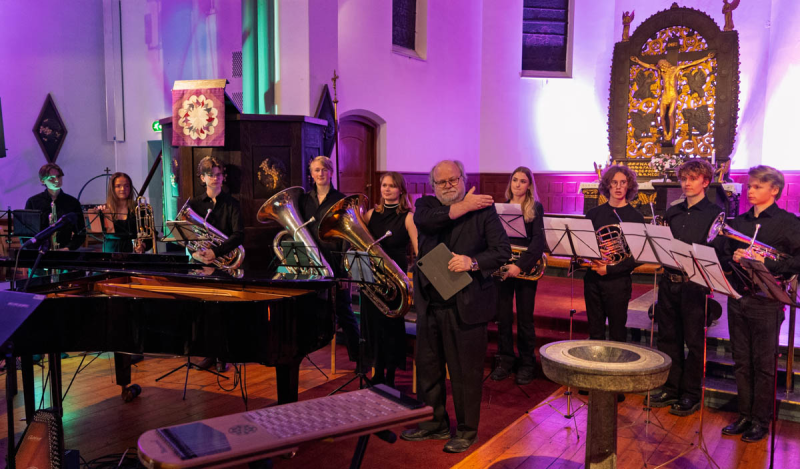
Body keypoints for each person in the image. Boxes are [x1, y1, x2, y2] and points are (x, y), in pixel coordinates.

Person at [400, 160, 510, 453]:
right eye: (442, 182)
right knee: (428, 368)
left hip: (467, 304)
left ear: (464, 179)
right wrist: (463, 206)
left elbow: (502, 251)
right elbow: (426, 222)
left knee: (465, 373)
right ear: (433, 185)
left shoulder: (484, 211)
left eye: (453, 180)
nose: (448, 186)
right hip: (430, 304)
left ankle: (466, 430)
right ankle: (433, 423)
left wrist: (472, 263)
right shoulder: (425, 207)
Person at [720, 166, 800, 442]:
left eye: (756, 186)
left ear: (774, 189)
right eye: (750, 186)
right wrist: (736, 258)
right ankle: (744, 415)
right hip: (739, 297)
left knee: (764, 364)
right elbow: (728, 259)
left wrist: (768, 261)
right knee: (741, 361)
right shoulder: (740, 223)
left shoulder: (789, 222)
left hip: (767, 301)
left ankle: (760, 420)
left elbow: (797, 261)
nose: (750, 191)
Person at [651, 159, 722, 417]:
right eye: (684, 179)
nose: (687, 183)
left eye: (693, 179)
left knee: (693, 342)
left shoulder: (714, 214)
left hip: (695, 285)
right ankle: (671, 388)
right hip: (669, 283)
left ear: (705, 182)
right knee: (668, 337)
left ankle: (691, 394)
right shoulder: (674, 211)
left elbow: (718, 251)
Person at [300, 156, 361, 363]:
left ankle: (359, 359)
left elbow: (346, 236)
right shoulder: (305, 200)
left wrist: (344, 272)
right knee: (311, 308)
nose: (320, 174)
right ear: (311, 174)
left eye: (324, 170)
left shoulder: (340, 200)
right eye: (316, 170)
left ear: (331, 172)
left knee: (344, 311)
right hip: (312, 260)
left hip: (334, 259)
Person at [361, 172, 418, 388]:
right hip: (373, 277)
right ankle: (376, 372)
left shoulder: (408, 217)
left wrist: (412, 279)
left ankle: (391, 375)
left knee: (391, 326)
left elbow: (418, 248)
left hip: (395, 277)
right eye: (384, 185)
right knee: (374, 326)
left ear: (401, 190)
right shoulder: (370, 215)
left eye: (392, 186)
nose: (386, 189)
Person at [489, 166, 545, 385]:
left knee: (524, 318)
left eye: (523, 181)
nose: (518, 185)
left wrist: (519, 266)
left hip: (525, 268)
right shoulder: (499, 208)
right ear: (510, 183)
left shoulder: (535, 208)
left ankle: (527, 363)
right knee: (502, 317)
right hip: (502, 266)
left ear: (529, 185)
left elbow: (538, 243)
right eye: (515, 180)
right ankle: (505, 360)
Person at [189, 156, 245, 372]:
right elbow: (188, 234)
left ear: (223, 177)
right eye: (210, 174)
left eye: (218, 174)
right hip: (201, 264)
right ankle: (209, 354)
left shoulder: (232, 204)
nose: (215, 178)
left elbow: (238, 235)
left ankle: (225, 356)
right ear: (202, 178)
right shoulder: (193, 204)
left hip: (225, 265)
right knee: (204, 312)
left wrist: (215, 251)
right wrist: (197, 254)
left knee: (224, 312)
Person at [584, 165, 645, 345]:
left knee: (617, 334)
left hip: (618, 281)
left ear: (629, 186)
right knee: (595, 332)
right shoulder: (593, 214)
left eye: (623, 183)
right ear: (607, 186)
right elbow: (585, 245)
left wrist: (610, 269)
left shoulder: (635, 217)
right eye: (614, 183)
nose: (618, 187)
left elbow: (638, 257)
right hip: (593, 278)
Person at [630, 52, 715, 141]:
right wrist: (638, 61)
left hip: (673, 95)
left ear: (666, 64)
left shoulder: (675, 69)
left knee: (670, 114)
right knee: (662, 115)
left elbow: (691, 63)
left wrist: (706, 57)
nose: (662, 67)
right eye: (660, 66)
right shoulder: (661, 72)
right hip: (665, 96)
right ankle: (665, 133)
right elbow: (649, 67)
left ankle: (670, 132)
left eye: (662, 65)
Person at [24, 162, 86, 250]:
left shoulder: (73, 202)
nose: (57, 180)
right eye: (51, 178)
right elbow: (26, 233)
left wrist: (68, 248)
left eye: (59, 176)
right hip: (39, 253)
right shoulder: (33, 202)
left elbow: (81, 233)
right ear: (42, 180)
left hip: (64, 252)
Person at [97, 172, 147, 253]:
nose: (123, 189)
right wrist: (100, 215)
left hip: (132, 252)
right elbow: (96, 233)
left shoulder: (139, 209)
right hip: (110, 251)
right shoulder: (105, 209)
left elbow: (150, 235)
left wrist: (143, 246)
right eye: (118, 186)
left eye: (126, 186)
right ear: (112, 188)